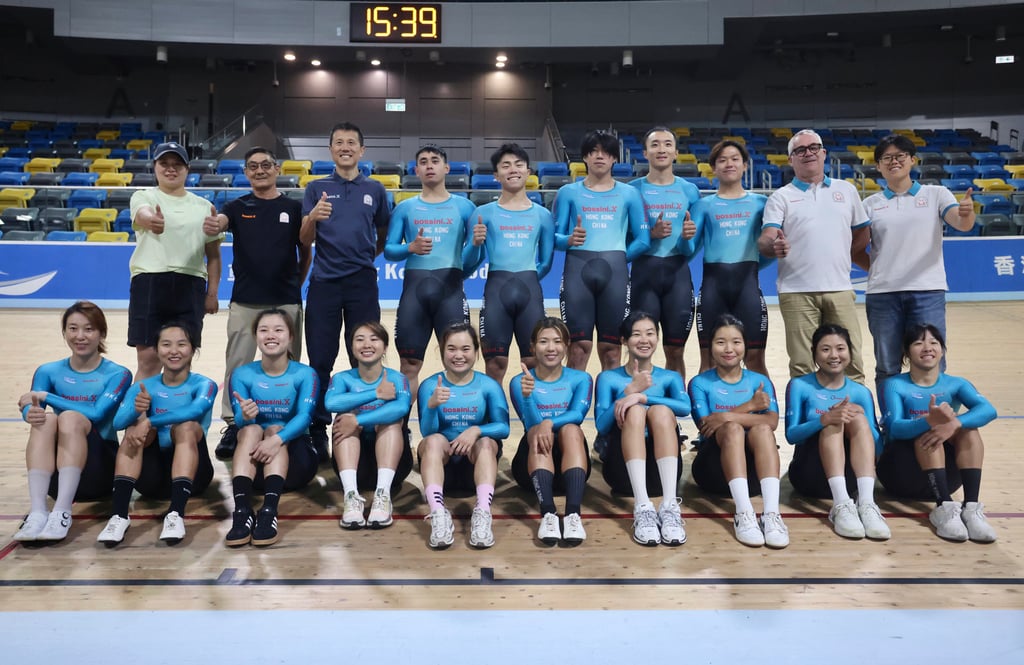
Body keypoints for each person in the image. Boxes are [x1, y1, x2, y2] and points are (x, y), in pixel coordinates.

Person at [204, 147, 311, 460]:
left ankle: (289, 424)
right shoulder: (236, 207)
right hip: (246, 302)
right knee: (237, 365)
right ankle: (234, 425)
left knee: (289, 366)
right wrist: (215, 225)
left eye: (266, 165)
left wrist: (296, 283)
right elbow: (220, 222)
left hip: (286, 301)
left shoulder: (294, 208)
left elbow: (305, 252)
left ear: (276, 169)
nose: (260, 170)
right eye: (253, 166)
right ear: (247, 172)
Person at [858, 134, 976, 399]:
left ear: (912, 160)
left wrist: (968, 213)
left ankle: (935, 422)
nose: (894, 161)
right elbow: (855, 248)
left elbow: (961, 223)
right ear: (878, 166)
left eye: (900, 156)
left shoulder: (936, 194)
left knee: (932, 360)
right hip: (882, 296)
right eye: (886, 158)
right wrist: (876, 268)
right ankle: (892, 423)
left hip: (927, 291)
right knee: (887, 364)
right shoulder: (869, 205)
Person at [301, 122, 391, 460]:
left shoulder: (376, 189)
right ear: (331, 150)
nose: (345, 147)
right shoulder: (316, 188)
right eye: (338, 142)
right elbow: (304, 239)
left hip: (362, 283)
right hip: (324, 283)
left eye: (351, 142)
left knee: (365, 356)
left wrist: (365, 255)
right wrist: (312, 217)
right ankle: (318, 428)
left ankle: (365, 423)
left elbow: (381, 233)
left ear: (362, 150)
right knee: (320, 359)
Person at [14, 302, 132, 543]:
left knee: (69, 417)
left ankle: (62, 513)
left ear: (102, 333)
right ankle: (38, 512)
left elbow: (97, 414)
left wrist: (49, 397)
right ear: (64, 332)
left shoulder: (118, 374)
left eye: (89, 329)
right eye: (73, 329)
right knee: (45, 420)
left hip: (100, 473)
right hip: (56, 478)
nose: (80, 336)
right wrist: (28, 412)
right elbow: (32, 404)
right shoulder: (48, 371)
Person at [757, 129, 869, 381]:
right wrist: (771, 245)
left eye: (813, 147)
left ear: (823, 153)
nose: (807, 153)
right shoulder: (781, 197)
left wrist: (844, 254)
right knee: (802, 365)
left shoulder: (847, 191)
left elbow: (863, 232)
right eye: (799, 150)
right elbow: (767, 236)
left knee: (851, 362)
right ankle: (808, 418)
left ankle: (857, 418)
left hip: (840, 288)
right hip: (796, 292)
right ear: (790, 159)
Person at [98, 323, 217, 546]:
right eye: (166, 344)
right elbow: (117, 423)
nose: (174, 351)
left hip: (194, 477)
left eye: (181, 344)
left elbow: (194, 411)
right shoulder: (144, 386)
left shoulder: (204, 384)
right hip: (150, 479)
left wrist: (150, 420)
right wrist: (136, 409)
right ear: (157, 349)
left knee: (185, 425)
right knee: (135, 428)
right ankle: (119, 515)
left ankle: (176, 515)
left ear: (192, 349)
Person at [879, 324, 997, 543]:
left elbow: (989, 410)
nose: (927, 347)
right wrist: (927, 420)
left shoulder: (956, 383)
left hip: (946, 477)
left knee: (967, 429)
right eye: (918, 342)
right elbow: (894, 427)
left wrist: (953, 424)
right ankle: (943, 506)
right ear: (906, 353)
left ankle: (971, 508)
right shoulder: (894, 384)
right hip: (900, 473)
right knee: (929, 428)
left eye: (934, 342)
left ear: (942, 350)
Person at [384, 145, 476, 402]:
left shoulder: (465, 208)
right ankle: (402, 429)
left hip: (451, 292)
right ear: (416, 170)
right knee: (409, 365)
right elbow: (389, 251)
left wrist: (472, 253)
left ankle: (458, 426)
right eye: (423, 161)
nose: (429, 165)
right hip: (415, 293)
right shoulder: (405, 208)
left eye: (435, 161)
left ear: (446, 168)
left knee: (458, 362)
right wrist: (409, 247)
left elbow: (474, 257)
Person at [688, 315, 787, 548]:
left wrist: (726, 415)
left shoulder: (759, 380)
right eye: (721, 342)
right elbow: (707, 425)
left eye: (736, 342)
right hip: (712, 472)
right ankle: (744, 514)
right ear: (710, 347)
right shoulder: (699, 383)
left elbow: (772, 421)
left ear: (745, 345)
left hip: (753, 477)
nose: (729, 349)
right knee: (732, 428)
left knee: (762, 428)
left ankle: (771, 515)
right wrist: (750, 407)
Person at [784, 324, 890, 540]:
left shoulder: (860, 392)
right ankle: (841, 506)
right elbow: (791, 435)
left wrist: (865, 419)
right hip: (809, 476)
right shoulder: (800, 385)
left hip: (851, 479)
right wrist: (824, 420)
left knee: (858, 419)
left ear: (850, 352)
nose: (834, 355)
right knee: (834, 421)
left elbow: (878, 448)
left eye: (840, 348)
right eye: (825, 349)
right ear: (814, 353)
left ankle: (867, 504)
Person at [554, 131, 649, 372]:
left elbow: (643, 239)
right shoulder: (568, 193)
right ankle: (574, 408)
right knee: (578, 347)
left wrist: (617, 258)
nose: (599, 156)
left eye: (606, 152)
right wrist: (569, 240)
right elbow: (553, 237)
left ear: (614, 159)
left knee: (612, 348)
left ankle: (610, 408)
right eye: (593, 151)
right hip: (578, 271)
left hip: (615, 273)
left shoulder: (629, 194)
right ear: (584, 157)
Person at [594, 311, 690, 547]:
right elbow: (601, 425)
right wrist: (629, 392)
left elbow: (685, 408)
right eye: (636, 334)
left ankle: (669, 507)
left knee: (660, 411)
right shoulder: (608, 378)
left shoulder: (669, 377)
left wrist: (643, 397)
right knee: (634, 410)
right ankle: (642, 508)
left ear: (657, 338)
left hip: (662, 476)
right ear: (624, 341)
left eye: (650, 333)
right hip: (623, 475)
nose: (644, 339)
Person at [129, 141, 223, 380]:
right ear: (155, 167)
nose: (171, 169)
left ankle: (178, 416)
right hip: (150, 282)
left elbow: (213, 255)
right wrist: (152, 221)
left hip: (190, 285)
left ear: (187, 169)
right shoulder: (144, 196)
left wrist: (212, 294)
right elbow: (143, 215)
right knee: (148, 360)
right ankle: (138, 416)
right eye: (165, 164)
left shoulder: (204, 206)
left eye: (177, 165)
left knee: (181, 359)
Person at [225, 309, 319, 547]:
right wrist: (244, 416)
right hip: (253, 466)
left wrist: (276, 440)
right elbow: (240, 419)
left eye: (278, 330)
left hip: (296, 464)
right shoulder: (243, 374)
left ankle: (269, 512)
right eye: (263, 330)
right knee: (250, 429)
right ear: (255, 336)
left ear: (291, 337)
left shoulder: (305, 374)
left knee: (275, 428)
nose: (271, 336)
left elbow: (305, 417)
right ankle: (242, 511)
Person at [464, 143, 555, 383]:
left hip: (530, 292)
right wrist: (474, 243)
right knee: (494, 364)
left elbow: (546, 262)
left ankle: (534, 419)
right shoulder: (483, 213)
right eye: (505, 166)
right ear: (496, 175)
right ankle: (495, 417)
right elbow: (468, 264)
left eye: (518, 165)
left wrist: (528, 277)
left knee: (535, 361)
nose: (513, 170)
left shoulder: (542, 215)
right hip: (496, 290)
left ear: (528, 172)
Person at [417, 323, 510, 550]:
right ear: (441, 351)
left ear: (476, 352)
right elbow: (428, 432)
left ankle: (482, 514)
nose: (458, 355)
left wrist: (477, 430)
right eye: (451, 349)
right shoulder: (430, 385)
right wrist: (431, 406)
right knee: (431, 441)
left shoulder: (488, 385)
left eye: (465, 349)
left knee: (487, 442)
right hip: (442, 469)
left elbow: (503, 428)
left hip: (476, 468)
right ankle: (438, 514)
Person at [684, 140, 770, 377]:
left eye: (734, 159)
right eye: (722, 160)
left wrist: (755, 266)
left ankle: (763, 412)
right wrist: (685, 237)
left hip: (748, 287)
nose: (729, 164)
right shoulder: (703, 205)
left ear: (744, 165)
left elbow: (772, 249)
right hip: (713, 289)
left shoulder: (761, 203)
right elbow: (689, 249)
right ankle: (706, 415)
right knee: (709, 361)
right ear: (713, 168)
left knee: (755, 361)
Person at [509, 317, 593, 545]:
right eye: (543, 341)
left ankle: (573, 514)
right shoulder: (520, 381)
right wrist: (527, 398)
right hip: (532, 466)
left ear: (566, 346)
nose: (551, 348)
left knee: (571, 429)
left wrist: (549, 423)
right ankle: (548, 514)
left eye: (557, 341)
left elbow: (577, 414)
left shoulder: (581, 378)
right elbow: (531, 424)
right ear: (532, 347)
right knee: (536, 432)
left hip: (571, 461)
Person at [325, 321, 414, 530]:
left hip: (393, 466)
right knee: (343, 417)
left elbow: (401, 408)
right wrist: (375, 394)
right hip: (352, 467)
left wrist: (358, 420)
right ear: (352, 346)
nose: (367, 344)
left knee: (390, 422)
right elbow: (330, 403)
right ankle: (351, 496)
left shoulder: (397, 378)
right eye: (360, 339)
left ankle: (382, 496)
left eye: (374, 339)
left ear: (384, 346)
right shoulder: (342, 378)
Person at [629, 127, 700, 378]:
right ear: (645, 153)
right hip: (643, 274)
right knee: (639, 349)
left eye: (667, 144)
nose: (662, 149)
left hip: (677, 274)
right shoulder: (632, 190)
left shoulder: (690, 190)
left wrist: (685, 239)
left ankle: (674, 408)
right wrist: (651, 235)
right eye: (655, 145)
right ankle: (636, 408)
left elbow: (692, 243)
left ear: (676, 153)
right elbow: (625, 239)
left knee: (676, 350)